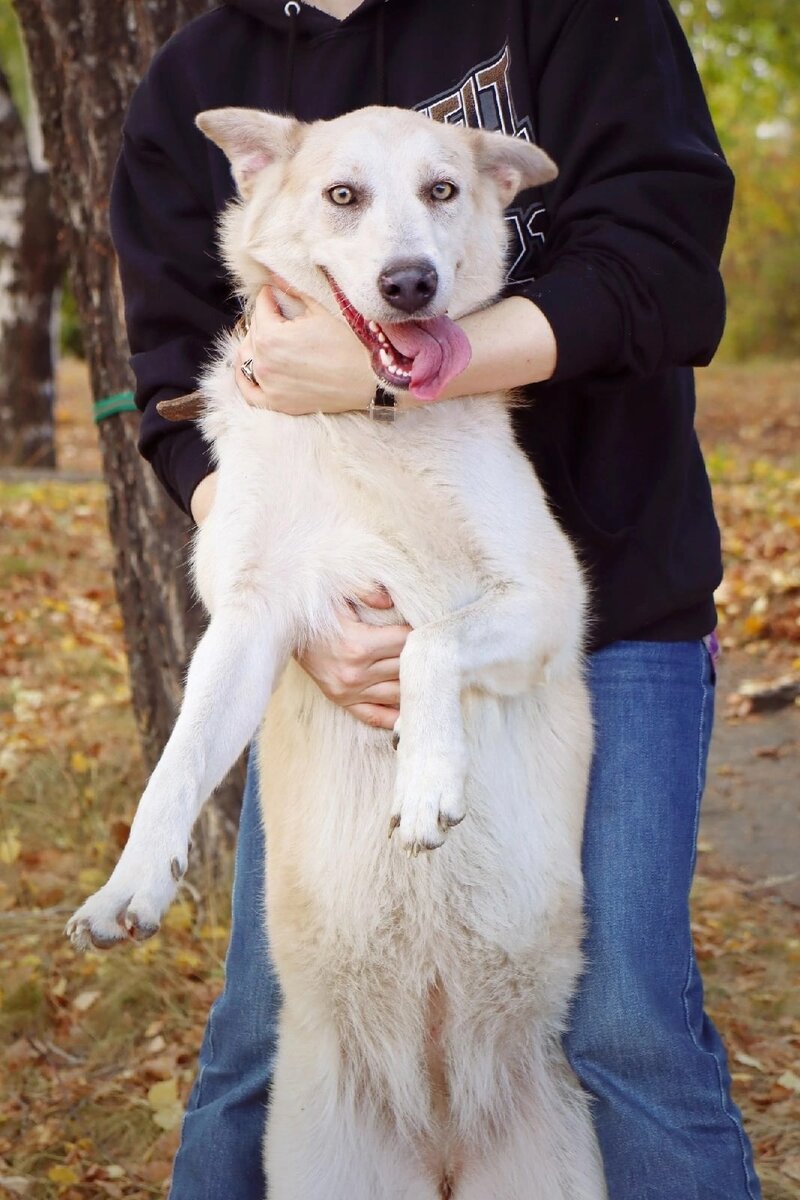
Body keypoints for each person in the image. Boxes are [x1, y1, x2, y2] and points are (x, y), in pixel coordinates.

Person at [109, 1, 762, 1196]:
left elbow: (663, 276)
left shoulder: (577, 15)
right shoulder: (202, 76)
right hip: (342, 635)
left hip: (608, 603)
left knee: (627, 1032)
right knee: (261, 1040)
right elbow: (171, 383)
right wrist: (280, 596)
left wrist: (405, 372)